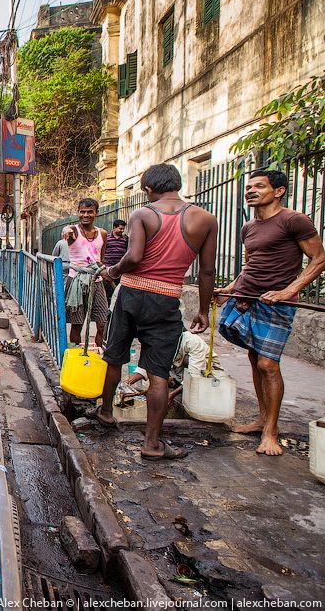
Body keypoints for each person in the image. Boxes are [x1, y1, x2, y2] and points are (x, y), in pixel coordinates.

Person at [93, 164, 217, 460]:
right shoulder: (205, 219)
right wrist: (202, 309)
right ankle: (151, 444)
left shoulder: (144, 214)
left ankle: (107, 413)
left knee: (115, 357)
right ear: (177, 183)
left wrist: (112, 270)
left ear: (149, 189)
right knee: (158, 372)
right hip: (166, 299)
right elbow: (208, 271)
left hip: (132, 294)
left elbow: (134, 257)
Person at [216, 169, 325, 456]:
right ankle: (262, 418)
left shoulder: (293, 220)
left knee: (268, 364)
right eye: (249, 186)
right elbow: (250, 266)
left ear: (278, 191)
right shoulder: (248, 227)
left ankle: (271, 431)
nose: (250, 190)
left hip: (277, 303)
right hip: (247, 298)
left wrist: (289, 291)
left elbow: (319, 258)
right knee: (255, 357)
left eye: (259, 186)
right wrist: (230, 287)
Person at [63, 198, 108, 348]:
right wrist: (66, 231)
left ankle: (99, 356)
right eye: (82, 212)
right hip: (76, 281)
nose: (85, 215)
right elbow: (67, 230)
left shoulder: (102, 234)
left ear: (96, 213)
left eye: (90, 212)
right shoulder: (74, 231)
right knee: (77, 324)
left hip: (96, 281)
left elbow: (100, 260)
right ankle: (75, 356)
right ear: (78, 213)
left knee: (102, 322)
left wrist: (107, 272)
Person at [120, 329, 221, 395]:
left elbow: (193, 374)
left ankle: (180, 393)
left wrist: (171, 396)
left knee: (184, 362)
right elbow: (148, 365)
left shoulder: (192, 342)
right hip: (179, 374)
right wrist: (127, 382)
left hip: (207, 376)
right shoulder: (160, 341)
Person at [102, 219, 128, 304]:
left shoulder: (125, 239)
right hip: (108, 269)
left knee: (117, 290)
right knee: (106, 291)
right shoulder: (107, 238)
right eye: (120, 228)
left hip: (119, 270)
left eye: (123, 229)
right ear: (114, 227)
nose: (122, 230)